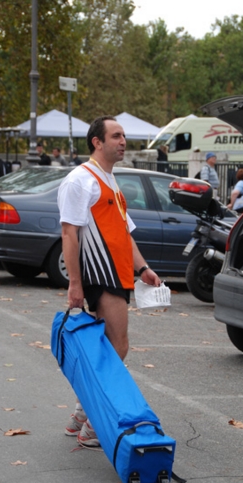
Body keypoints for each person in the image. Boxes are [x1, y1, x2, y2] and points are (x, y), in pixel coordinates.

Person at [57, 115, 161, 447]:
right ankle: (91, 428)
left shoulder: (111, 182)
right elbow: (68, 233)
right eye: (115, 136)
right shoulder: (80, 180)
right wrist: (75, 283)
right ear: (96, 142)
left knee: (106, 348)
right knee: (118, 345)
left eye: (124, 136)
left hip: (119, 273)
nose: (123, 141)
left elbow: (124, 233)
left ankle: (80, 417)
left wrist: (143, 267)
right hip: (99, 275)